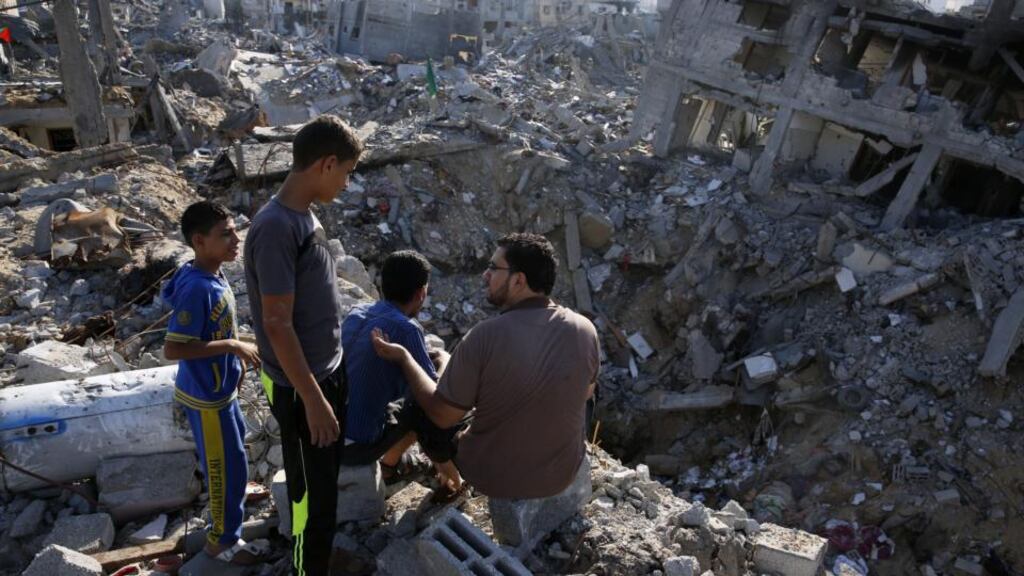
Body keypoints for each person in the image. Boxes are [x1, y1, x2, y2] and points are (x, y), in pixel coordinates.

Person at [370, 233, 600, 504]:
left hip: (492, 476)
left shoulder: (485, 335)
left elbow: (442, 416)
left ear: (518, 280)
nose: (485, 275)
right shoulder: (585, 329)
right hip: (561, 475)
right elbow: (585, 394)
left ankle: (432, 477)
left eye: (493, 267)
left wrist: (405, 359)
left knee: (418, 401)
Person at [243, 115, 362, 576]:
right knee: (310, 500)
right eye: (346, 172)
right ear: (326, 164)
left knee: (322, 487)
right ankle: (306, 568)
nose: (346, 183)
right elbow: (276, 323)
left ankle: (319, 558)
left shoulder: (301, 214)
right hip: (302, 386)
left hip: (323, 373)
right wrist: (313, 399)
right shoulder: (276, 228)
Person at [162, 201, 261, 564]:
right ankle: (220, 543)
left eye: (234, 231)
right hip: (207, 399)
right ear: (199, 241)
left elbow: (214, 330)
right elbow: (173, 349)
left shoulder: (213, 274)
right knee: (222, 471)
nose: (236, 240)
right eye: (225, 235)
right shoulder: (196, 289)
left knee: (236, 462)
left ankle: (229, 521)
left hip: (220, 391)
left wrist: (238, 354)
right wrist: (233, 347)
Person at [341, 250, 462, 492]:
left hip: (325, 433)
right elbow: (434, 401)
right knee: (422, 407)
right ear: (421, 293)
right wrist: (446, 360)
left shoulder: (356, 313)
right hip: (354, 448)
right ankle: (450, 477)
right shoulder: (407, 329)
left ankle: (391, 464)